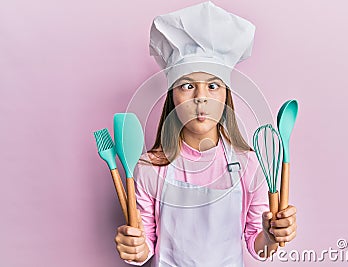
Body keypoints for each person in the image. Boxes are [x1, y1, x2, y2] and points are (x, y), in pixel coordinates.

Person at [114, 2, 297, 266]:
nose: (201, 98)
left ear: (226, 96)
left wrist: (270, 237)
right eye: (187, 86)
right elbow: (146, 246)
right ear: (172, 98)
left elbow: (259, 246)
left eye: (213, 86)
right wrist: (134, 248)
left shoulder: (250, 165)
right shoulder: (148, 167)